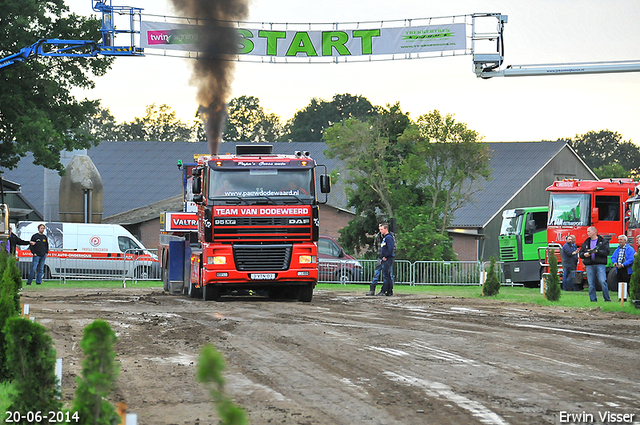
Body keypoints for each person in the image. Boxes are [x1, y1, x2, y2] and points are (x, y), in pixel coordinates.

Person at [579, 226, 611, 302]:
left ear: (594, 232)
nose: (587, 233)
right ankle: (593, 300)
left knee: (602, 281)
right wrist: (585, 254)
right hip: (589, 265)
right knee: (591, 283)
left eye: (589, 231)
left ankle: (607, 299)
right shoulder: (586, 242)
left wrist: (597, 252)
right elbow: (581, 253)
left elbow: (607, 252)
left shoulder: (603, 242)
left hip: (600, 264)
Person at [377, 223, 395, 296]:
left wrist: (385, 256)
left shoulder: (388, 238)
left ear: (386, 229)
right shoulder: (385, 238)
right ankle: (389, 291)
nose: (380, 231)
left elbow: (390, 248)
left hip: (388, 259)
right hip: (385, 259)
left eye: (382, 229)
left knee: (386, 276)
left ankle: (383, 290)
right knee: (387, 276)